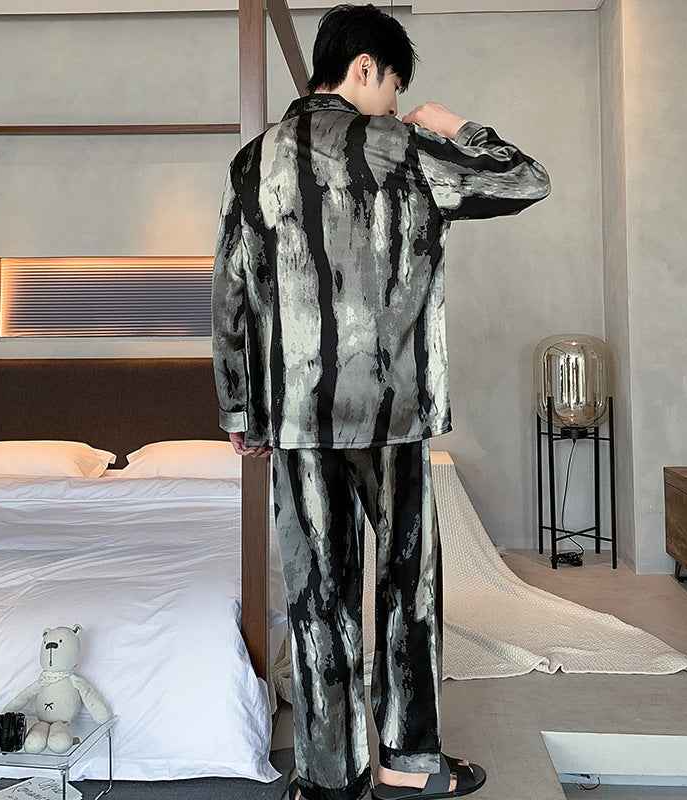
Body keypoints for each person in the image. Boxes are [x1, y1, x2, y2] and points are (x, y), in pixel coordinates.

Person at [210, 4, 551, 800]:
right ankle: (407, 761)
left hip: (299, 420)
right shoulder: (405, 146)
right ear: (365, 67)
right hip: (394, 418)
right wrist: (451, 123)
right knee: (408, 593)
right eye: (395, 85)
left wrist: (240, 410)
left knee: (318, 600)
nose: (397, 102)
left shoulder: (253, 161)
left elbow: (232, 294)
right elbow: (526, 178)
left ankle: (331, 778)